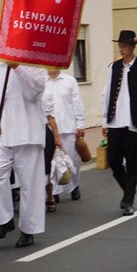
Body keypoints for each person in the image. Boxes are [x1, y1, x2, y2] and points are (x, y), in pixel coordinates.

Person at [0, 52, 49, 245]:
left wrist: (17, 67)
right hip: (0, 135)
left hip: (27, 134)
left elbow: (34, 92)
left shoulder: (34, 66)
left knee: (30, 184)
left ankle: (29, 229)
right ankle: (5, 219)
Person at [99, 30, 137, 216]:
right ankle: (129, 191)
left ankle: (128, 200)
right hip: (116, 120)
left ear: (133, 47)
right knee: (114, 160)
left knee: (133, 162)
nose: (121, 48)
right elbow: (107, 93)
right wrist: (104, 120)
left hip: (134, 121)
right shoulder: (114, 67)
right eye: (120, 45)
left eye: (124, 45)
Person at [42, 67, 86, 202]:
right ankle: (54, 191)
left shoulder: (70, 81)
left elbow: (77, 103)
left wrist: (80, 125)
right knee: (52, 161)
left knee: (72, 160)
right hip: (49, 128)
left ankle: (74, 186)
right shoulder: (42, 82)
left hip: (68, 126)